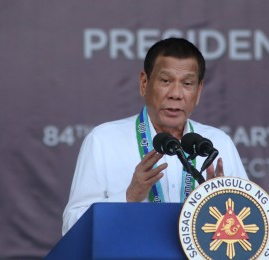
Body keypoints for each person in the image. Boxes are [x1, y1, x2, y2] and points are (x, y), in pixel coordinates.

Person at [62, 38, 248, 235]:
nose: (176, 94)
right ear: (144, 83)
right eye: (166, 81)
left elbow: (250, 228)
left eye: (187, 83)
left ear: (199, 91)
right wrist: (129, 197)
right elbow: (71, 228)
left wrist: (220, 203)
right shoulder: (103, 141)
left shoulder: (219, 144)